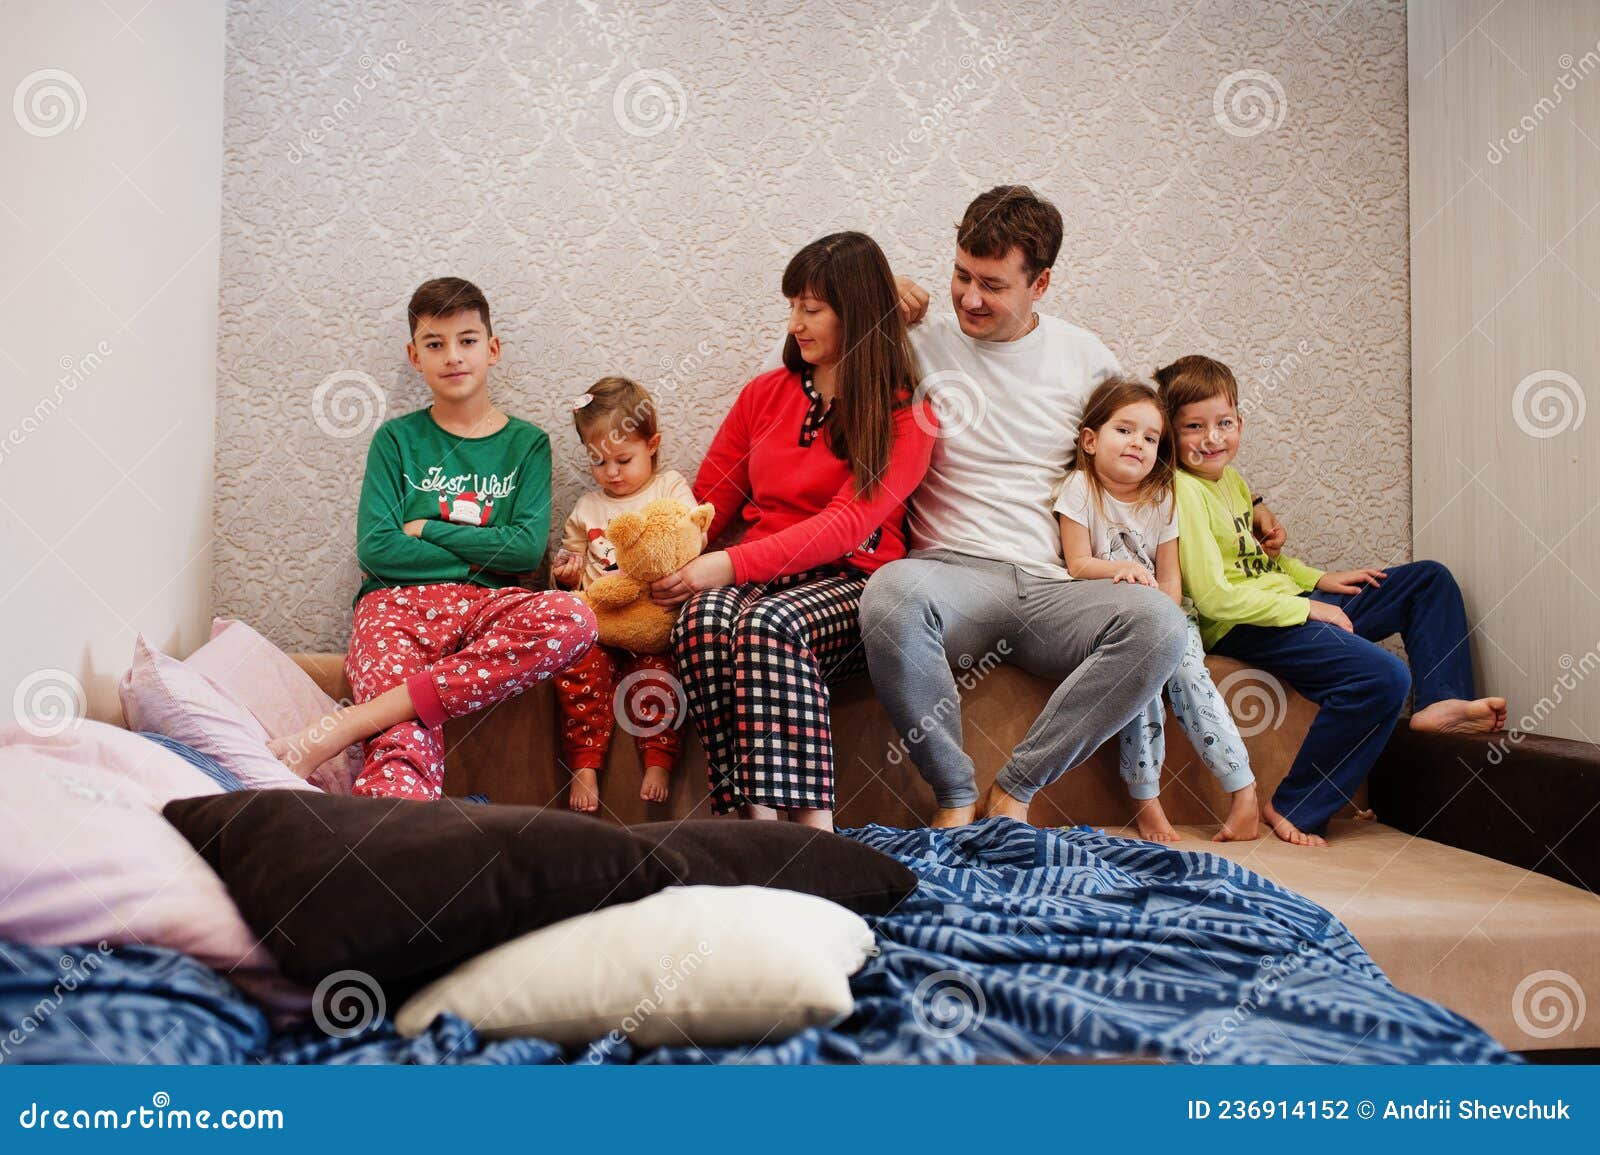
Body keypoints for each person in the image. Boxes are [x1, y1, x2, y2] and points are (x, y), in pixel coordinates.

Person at [860, 186, 1281, 827]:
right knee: (890, 596)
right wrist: (873, 287)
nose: (970, 298)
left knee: (1161, 625)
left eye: (993, 285)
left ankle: (1017, 788)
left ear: (1042, 283)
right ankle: (952, 795)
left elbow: (1152, 449)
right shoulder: (921, 343)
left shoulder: (1085, 358)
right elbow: (816, 341)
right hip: (952, 572)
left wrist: (1245, 508)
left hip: (1057, 582)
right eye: (960, 275)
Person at [268, 277, 597, 799]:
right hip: (393, 609)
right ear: (414, 356)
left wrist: (425, 530)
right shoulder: (396, 440)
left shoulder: (527, 444)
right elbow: (377, 549)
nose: (453, 356)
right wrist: (482, 554)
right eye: (434, 343)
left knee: (574, 619)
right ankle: (409, 846)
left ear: (492, 349)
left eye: (467, 340)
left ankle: (354, 723)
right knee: (401, 751)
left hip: (489, 609)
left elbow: (526, 552)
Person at [1160, 353, 1508, 846]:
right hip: (1247, 625)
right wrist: (1308, 607)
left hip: (1286, 600)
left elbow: (1265, 567)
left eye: (1224, 423)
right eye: (1194, 426)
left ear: (1241, 421)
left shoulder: (1232, 483)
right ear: (1171, 434)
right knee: (1383, 677)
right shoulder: (1183, 491)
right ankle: (1295, 804)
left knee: (1427, 580)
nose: (1213, 438)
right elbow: (1216, 597)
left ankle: (1441, 700)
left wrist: (1323, 579)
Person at [652, 231, 936, 832]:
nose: (796, 323)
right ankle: (752, 826)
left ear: (855, 313)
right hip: (759, 573)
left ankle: (814, 832)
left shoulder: (906, 414)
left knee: (765, 625)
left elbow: (844, 525)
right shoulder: (764, 395)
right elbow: (706, 506)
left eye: (812, 309)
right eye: (793, 307)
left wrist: (725, 567)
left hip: (850, 580)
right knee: (701, 622)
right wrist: (643, 552)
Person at [1056, 376, 1258, 843]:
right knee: (1140, 685)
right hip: (1115, 618)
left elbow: (1171, 579)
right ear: (1090, 440)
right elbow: (1078, 563)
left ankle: (1243, 791)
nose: (1138, 444)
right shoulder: (1079, 490)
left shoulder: (1162, 497)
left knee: (1190, 676)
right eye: (1124, 430)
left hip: (1167, 614)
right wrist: (1121, 570)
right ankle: (1147, 803)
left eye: (1151, 438)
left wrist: (1167, 623)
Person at [551, 376, 696, 811]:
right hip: (600, 626)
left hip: (652, 620)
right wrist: (565, 576)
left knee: (660, 677)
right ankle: (584, 764)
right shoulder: (587, 509)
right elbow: (570, 570)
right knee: (576, 671)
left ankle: (658, 758)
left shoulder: (669, 488)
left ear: (652, 444)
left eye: (623, 459)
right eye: (598, 461)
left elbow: (690, 538)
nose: (610, 473)